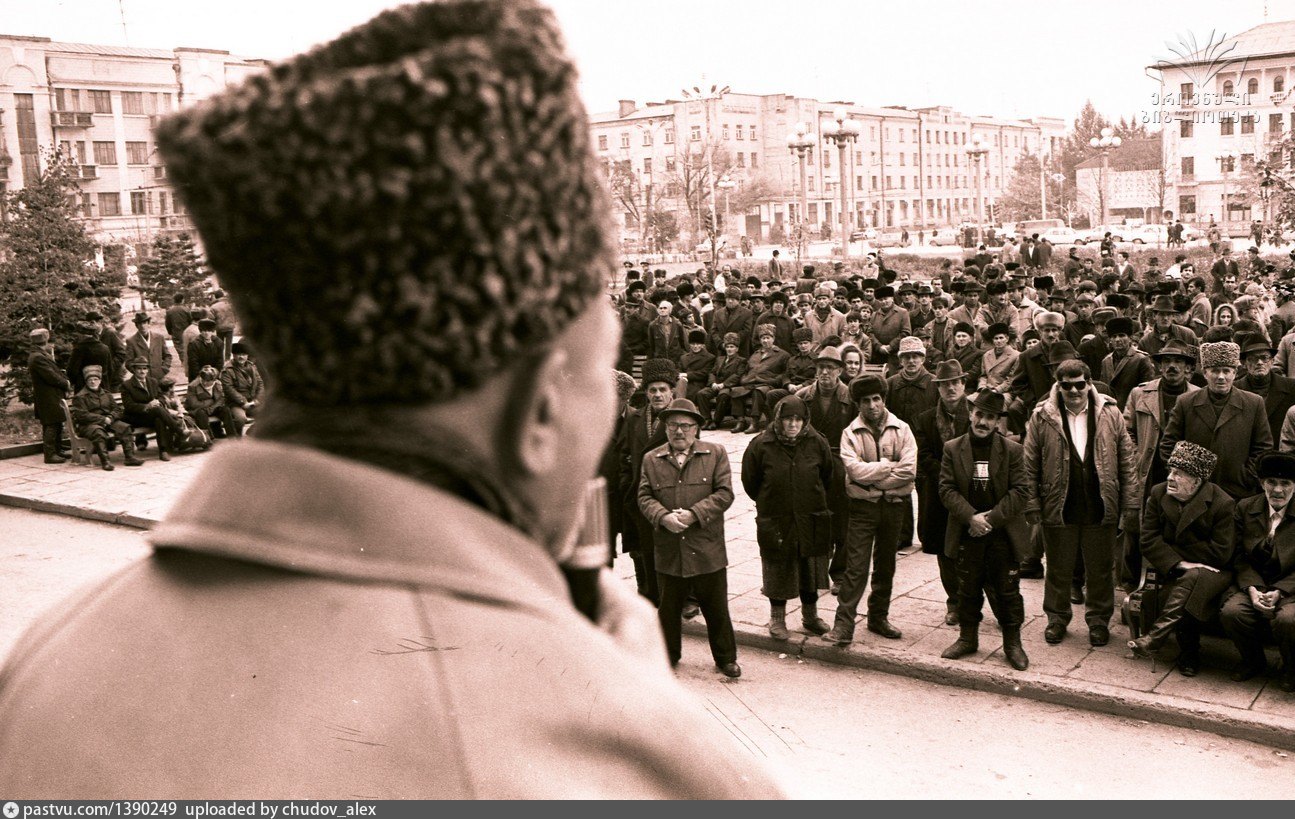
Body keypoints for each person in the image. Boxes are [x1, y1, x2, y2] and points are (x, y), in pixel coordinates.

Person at [0, 1, 785, 798]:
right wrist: (622, 707)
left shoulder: (43, 662)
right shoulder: (627, 761)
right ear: (541, 411)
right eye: (600, 369)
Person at [1024, 359, 1138, 647]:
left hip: (1101, 501)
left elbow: (1126, 460)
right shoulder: (1042, 416)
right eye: (1067, 386)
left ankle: (1099, 621)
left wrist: (1131, 503)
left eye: (1079, 385)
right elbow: (1029, 464)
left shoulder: (1109, 413)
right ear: (1058, 386)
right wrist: (1032, 503)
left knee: (1101, 569)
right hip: (1059, 502)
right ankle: (1057, 619)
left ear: (1089, 384)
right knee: (1059, 568)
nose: (1074, 391)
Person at [638, 398, 739, 677]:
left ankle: (726, 658)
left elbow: (725, 494)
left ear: (696, 429)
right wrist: (663, 517)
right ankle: (668, 656)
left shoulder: (715, 453)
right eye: (672, 425)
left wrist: (694, 514)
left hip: (706, 547)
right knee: (668, 610)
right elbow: (644, 496)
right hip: (670, 547)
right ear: (666, 429)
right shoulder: (652, 459)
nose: (678, 432)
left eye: (685, 425)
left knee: (716, 608)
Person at [938, 390, 1030, 670]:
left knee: (1008, 591)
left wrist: (990, 519)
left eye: (990, 417)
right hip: (968, 532)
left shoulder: (1012, 450)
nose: (983, 422)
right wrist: (970, 518)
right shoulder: (953, 448)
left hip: (1001, 534)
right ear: (971, 414)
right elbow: (946, 488)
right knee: (967, 588)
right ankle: (968, 638)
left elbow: (1020, 490)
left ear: (997, 422)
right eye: (979, 414)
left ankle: (1012, 644)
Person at [823, 374, 918, 644]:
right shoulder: (850, 433)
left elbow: (909, 470)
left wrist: (873, 480)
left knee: (886, 564)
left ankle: (878, 617)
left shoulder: (902, 429)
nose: (872, 405)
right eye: (866, 401)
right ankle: (843, 626)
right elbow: (853, 470)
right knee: (855, 567)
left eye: (876, 399)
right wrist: (888, 466)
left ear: (884, 400)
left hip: (894, 507)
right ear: (858, 405)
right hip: (862, 509)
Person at [1127, 442, 1234, 678]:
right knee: (1189, 580)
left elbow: (1221, 552)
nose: (1170, 478)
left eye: (1178, 473)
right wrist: (1180, 563)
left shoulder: (1222, 503)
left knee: (1193, 580)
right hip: (1180, 569)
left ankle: (1161, 640)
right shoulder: (1158, 494)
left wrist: (1174, 551)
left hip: (1215, 573)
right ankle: (1183, 650)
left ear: (1196, 481)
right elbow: (1148, 540)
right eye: (1170, 471)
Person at [741, 395, 834, 640]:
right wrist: (771, 500)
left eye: (798, 419)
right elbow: (751, 482)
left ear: (805, 421)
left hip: (810, 515)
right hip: (776, 518)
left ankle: (811, 616)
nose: (793, 425)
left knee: (809, 568)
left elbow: (827, 475)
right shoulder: (761, 445)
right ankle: (777, 619)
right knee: (778, 568)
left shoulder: (817, 442)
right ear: (778, 419)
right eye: (787, 419)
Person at [1160, 342, 1273, 501]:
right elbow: (1168, 445)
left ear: (1234, 374)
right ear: (1205, 373)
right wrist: (1184, 478)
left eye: (1226, 371)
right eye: (1215, 371)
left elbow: (1263, 447)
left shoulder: (1253, 403)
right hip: (1193, 493)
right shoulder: (1186, 402)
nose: (1221, 377)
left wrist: (1246, 476)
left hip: (1238, 492)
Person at [1222, 451, 1295, 689]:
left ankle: (1291, 668)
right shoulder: (1245, 508)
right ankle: (1253, 661)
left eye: (1286, 483)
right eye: (1271, 482)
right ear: (1262, 483)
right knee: (1233, 612)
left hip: (1291, 588)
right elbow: (1237, 556)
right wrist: (1252, 589)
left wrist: (1280, 592)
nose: (1277, 490)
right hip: (1254, 582)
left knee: (1288, 619)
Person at [914, 360, 971, 625]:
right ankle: (955, 602)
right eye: (944, 384)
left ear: (963, 384)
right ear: (937, 389)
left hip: (972, 492)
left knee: (975, 547)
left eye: (954, 383)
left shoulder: (976, 415)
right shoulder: (926, 419)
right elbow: (923, 455)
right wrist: (947, 476)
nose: (950, 388)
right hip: (938, 494)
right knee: (945, 551)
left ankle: (977, 600)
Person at [120, 358, 185, 461]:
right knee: (157, 411)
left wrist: (158, 402)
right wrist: (147, 406)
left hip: (152, 415)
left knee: (159, 419)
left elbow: (160, 397)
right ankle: (179, 430)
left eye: (144, 368)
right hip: (135, 417)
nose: (142, 371)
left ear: (147, 370)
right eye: (139, 369)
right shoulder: (127, 385)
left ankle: (163, 451)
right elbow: (129, 406)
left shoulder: (153, 382)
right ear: (134, 370)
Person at [1236, 336, 1295, 448]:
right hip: (1248, 458)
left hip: (1281, 456)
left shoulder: (1291, 388)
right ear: (1244, 363)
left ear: (1272, 361)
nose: (1259, 362)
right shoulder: (1235, 390)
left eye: (1264, 358)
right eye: (1253, 358)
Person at [27, 328, 71, 464]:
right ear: (44, 340)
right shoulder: (38, 357)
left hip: (50, 396)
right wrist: (66, 383)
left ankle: (57, 450)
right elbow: (51, 377)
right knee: (51, 424)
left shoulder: (38, 355)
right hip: (48, 396)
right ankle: (50, 454)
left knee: (56, 422)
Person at [220, 342, 264, 436]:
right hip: (235, 403)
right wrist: (243, 402)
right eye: (238, 354)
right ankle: (236, 437)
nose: (241, 357)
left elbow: (260, 384)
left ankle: (252, 431)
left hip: (251, 402)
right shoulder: (227, 370)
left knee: (267, 413)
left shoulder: (252, 367)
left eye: (244, 354)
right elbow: (229, 389)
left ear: (247, 355)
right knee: (240, 419)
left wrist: (256, 401)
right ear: (233, 355)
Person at [185, 364, 236, 439]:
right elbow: (193, 404)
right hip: (198, 410)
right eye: (203, 380)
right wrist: (211, 401)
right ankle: (208, 437)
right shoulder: (193, 386)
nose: (205, 383)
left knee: (225, 410)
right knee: (201, 413)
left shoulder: (218, 384)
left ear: (214, 380)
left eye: (208, 381)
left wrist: (211, 408)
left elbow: (222, 399)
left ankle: (232, 436)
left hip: (212, 408)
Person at [123, 312, 173, 378]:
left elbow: (167, 356)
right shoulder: (131, 341)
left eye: (144, 323)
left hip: (159, 376)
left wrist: (164, 369)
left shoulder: (159, 338)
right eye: (139, 323)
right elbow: (129, 362)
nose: (142, 326)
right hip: (143, 379)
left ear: (148, 324)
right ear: (136, 326)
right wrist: (139, 373)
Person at [978, 323, 1018, 392]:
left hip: (1004, 392)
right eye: (996, 338)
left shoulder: (1016, 355)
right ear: (993, 340)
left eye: (1001, 338)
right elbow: (983, 376)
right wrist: (982, 387)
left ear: (1007, 339)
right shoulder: (986, 355)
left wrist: (997, 390)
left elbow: (1011, 380)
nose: (998, 341)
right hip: (986, 390)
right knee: (969, 400)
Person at [164, 293, 193, 361]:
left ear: (174, 300)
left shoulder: (170, 311)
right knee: (188, 346)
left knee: (180, 348)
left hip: (176, 332)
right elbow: (190, 320)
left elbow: (167, 323)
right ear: (182, 300)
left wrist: (170, 332)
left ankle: (183, 360)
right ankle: (187, 360)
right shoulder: (186, 309)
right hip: (186, 331)